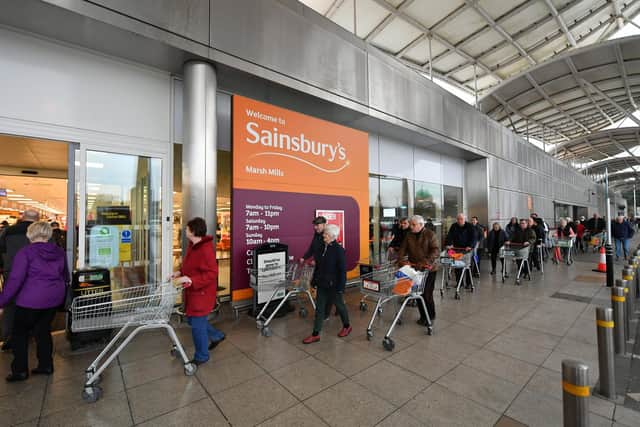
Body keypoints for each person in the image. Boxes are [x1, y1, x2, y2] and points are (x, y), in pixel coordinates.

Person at [0, 221, 69, 381]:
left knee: (19, 334)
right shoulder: (59, 252)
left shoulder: (25, 253)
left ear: (30, 234)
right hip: (53, 299)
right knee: (43, 331)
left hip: (31, 300)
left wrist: (2, 301)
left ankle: (20, 370)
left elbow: (15, 280)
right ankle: (46, 365)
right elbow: (65, 275)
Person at [170, 217, 222, 365]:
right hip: (194, 293)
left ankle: (202, 356)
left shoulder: (205, 249)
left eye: (186, 228)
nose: (184, 230)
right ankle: (217, 336)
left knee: (197, 326)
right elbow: (190, 266)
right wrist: (179, 273)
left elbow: (212, 273)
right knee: (194, 320)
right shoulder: (194, 246)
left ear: (193, 231)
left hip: (202, 294)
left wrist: (191, 280)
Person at [303, 224, 351, 344]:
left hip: (334, 285)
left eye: (325, 233)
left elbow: (342, 270)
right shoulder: (321, 248)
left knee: (340, 306)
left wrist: (341, 287)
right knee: (319, 309)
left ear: (332, 236)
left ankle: (347, 326)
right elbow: (318, 266)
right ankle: (315, 334)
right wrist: (314, 280)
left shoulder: (339, 250)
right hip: (322, 283)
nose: (323, 235)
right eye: (324, 233)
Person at [0, 209, 39, 352]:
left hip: (11, 271)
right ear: (38, 219)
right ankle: (29, 334)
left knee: (11, 304)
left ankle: (8, 336)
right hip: (34, 273)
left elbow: (1, 249)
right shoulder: (40, 232)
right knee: (32, 304)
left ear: (22, 217)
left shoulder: (9, 231)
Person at [398, 215, 439, 325]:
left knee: (427, 293)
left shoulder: (430, 234)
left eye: (413, 224)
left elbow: (435, 251)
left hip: (429, 269)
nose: (411, 226)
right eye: (410, 224)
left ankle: (430, 315)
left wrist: (425, 262)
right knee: (418, 293)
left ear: (421, 225)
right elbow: (402, 249)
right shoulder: (409, 235)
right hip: (415, 268)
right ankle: (423, 316)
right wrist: (401, 261)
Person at [301, 216, 333, 320]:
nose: (315, 227)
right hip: (319, 267)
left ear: (324, 224)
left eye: (317, 225)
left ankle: (326, 314)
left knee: (327, 291)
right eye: (314, 225)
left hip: (327, 268)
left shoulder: (328, 235)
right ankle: (322, 311)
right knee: (317, 286)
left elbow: (328, 252)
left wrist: (317, 260)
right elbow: (312, 248)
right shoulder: (317, 235)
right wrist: (304, 257)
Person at [445, 213, 477, 289]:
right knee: (457, 266)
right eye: (458, 219)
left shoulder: (470, 226)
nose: (459, 221)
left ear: (465, 219)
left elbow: (474, 237)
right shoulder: (454, 226)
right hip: (457, 249)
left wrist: (470, 246)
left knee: (467, 266)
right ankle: (460, 282)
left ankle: (468, 283)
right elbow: (449, 236)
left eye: (461, 219)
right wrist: (449, 244)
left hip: (467, 249)